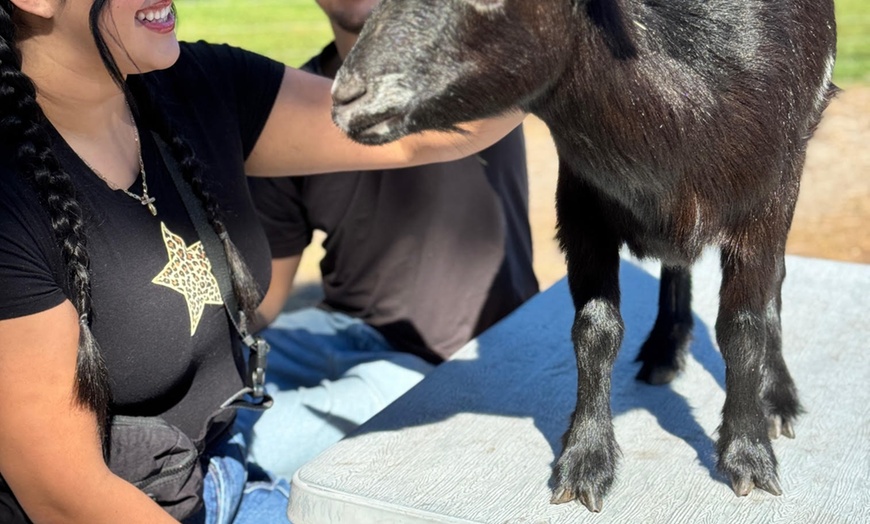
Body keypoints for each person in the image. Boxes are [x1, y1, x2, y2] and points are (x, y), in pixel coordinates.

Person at [0, 1, 525, 522]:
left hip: (221, 464)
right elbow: (64, 498)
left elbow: (422, 133)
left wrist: (560, 38)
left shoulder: (197, 85)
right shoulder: (11, 195)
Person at [241, 0, 539, 480]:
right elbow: (266, 297)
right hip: (339, 326)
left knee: (250, 439)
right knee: (200, 393)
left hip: (446, 362)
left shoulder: (473, 61)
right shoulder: (289, 113)